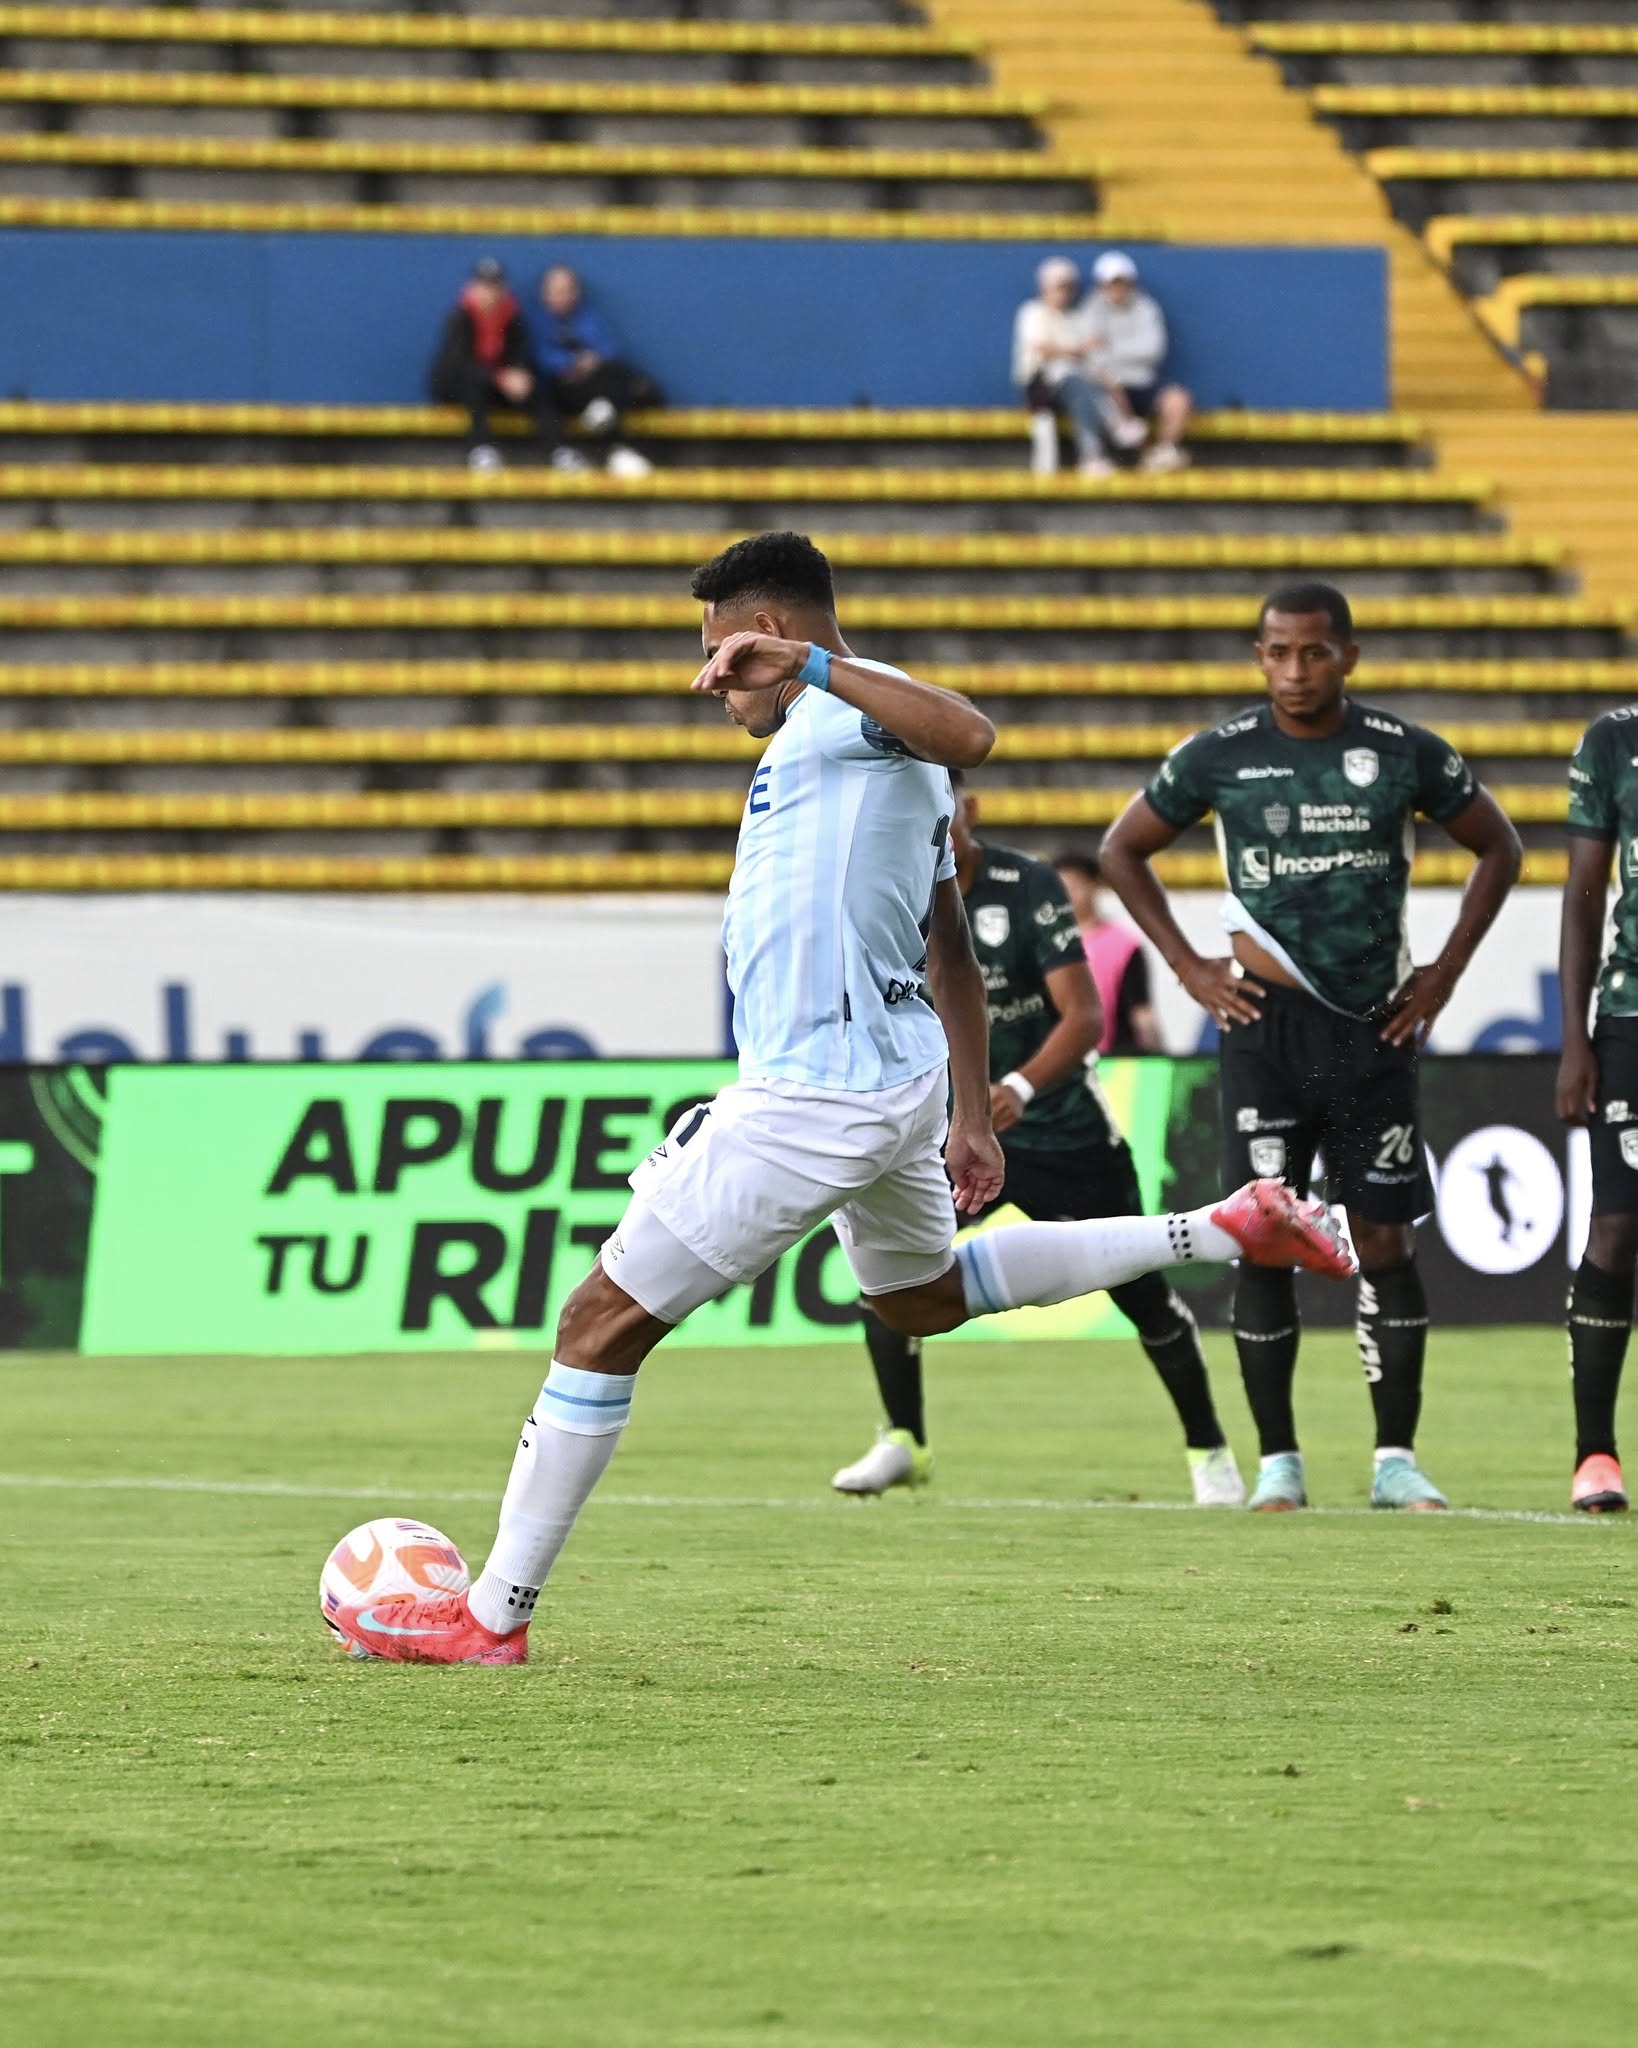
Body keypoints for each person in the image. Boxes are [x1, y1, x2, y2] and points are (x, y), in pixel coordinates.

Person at [327, 534, 1352, 1665]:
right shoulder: (841, 748)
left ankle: (492, 1616)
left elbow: (974, 734)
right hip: (893, 1082)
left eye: (726, 656)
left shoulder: (856, 714)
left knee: (596, 1324)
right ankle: (1225, 1225)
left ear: (775, 636)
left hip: (815, 1092)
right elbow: (949, 944)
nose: (713, 683)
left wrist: (810, 667)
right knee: (922, 1299)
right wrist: (969, 1110)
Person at [1099, 580, 1521, 1513]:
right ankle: (1278, 1465)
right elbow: (1121, 849)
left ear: (1348, 656)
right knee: (1263, 1239)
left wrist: (1445, 973)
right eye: (1280, 652)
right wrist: (1189, 967)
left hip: (1374, 1027)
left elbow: (1501, 848)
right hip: (1265, 1030)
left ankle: (1396, 1461)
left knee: (1385, 1239)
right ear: (1259, 657)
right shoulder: (1220, 755)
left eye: (1316, 652)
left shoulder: (1403, 752)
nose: (1297, 669)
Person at [831, 772, 1244, 1506]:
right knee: (891, 1277)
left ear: (967, 809)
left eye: (939, 805)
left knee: (1141, 1294)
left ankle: (1207, 1448)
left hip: (1059, 1130)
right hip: (948, 1134)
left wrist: (1017, 1088)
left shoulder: (1027, 885)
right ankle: (904, 1439)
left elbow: (1083, 1017)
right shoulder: (882, 891)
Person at [1556, 710, 1638, 1512]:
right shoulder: (1614, 741)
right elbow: (1584, 894)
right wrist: (1575, 1039)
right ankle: (1596, 1454)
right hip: (1631, 1016)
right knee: (1616, 1227)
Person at [427, 257, 577, 473]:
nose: (489, 293)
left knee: (534, 387)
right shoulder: (459, 317)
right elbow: (458, 364)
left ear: (503, 288)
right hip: (456, 387)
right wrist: (498, 377)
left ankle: (560, 450)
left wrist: (519, 374)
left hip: (498, 386)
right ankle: (480, 449)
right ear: (473, 287)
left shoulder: (513, 317)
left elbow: (519, 354)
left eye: (494, 286)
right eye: (484, 286)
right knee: (475, 383)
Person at [1012, 256, 1146, 478]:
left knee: (1084, 390)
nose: (1064, 294)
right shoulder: (1033, 311)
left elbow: (1086, 358)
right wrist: (1080, 349)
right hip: (1040, 386)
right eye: (1059, 288)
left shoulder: (1074, 318)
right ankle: (1115, 425)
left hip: (1075, 384)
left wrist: (1102, 375)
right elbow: (1045, 351)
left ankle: (1093, 454)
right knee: (1077, 382)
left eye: (1068, 288)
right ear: (1044, 288)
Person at [536, 264, 662, 478]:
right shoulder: (535, 321)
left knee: (642, 389)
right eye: (556, 291)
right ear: (545, 294)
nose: (562, 297)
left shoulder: (587, 317)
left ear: (576, 293)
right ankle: (617, 451)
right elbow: (538, 356)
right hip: (560, 389)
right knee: (599, 396)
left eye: (567, 291)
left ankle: (605, 410)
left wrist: (593, 359)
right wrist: (570, 362)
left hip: (596, 382)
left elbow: (611, 349)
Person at [1080, 251, 1193, 475]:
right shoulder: (1090, 309)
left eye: (1121, 283)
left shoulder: (1146, 307)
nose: (1116, 289)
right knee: (1110, 393)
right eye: (1111, 283)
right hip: (1110, 385)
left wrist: (1109, 348)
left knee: (1178, 399)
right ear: (1101, 284)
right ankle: (1148, 456)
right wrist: (1123, 356)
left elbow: (1153, 350)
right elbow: (1091, 356)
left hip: (1143, 381)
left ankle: (1164, 451)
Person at [1057, 849, 1163, 1055]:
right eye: (1061, 887)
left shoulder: (1123, 944)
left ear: (1094, 886)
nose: (1069, 894)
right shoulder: (1044, 943)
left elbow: (1141, 1011)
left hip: (1115, 1059)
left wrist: (1160, 1054)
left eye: (1075, 886)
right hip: (1063, 1058)